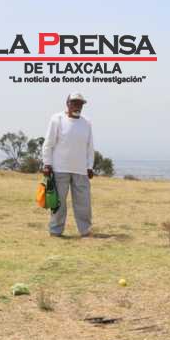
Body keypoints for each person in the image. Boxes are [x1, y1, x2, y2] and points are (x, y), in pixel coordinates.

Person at [42, 92, 95, 237]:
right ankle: (56, 231)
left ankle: (85, 231)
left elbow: (90, 146)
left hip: (81, 170)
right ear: (68, 104)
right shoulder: (57, 119)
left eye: (80, 104)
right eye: (75, 103)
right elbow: (48, 144)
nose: (78, 106)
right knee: (58, 203)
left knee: (84, 203)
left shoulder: (87, 122)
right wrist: (47, 164)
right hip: (60, 169)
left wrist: (90, 166)